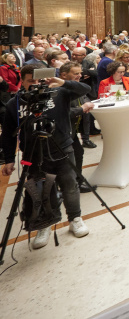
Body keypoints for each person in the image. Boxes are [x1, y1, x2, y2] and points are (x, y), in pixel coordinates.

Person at [1, 64, 91, 249]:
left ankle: (75, 218)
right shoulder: (15, 103)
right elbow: (8, 133)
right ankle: (45, 225)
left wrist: (62, 82)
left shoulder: (59, 94)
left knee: (70, 186)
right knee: (42, 190)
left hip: (62, 148)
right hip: (34, 154)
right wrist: (9, 158)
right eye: (30, 81)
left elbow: (85, 89)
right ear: (22, 82)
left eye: (39, 80)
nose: (35, 84)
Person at [60, 61, 96, 193]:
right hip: (63, 132)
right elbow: (64, 113)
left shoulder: (76, 87)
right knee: (67, 160)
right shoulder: (60, 91)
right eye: (76, 73)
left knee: (78, 153)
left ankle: (78, 182)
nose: (79, 76)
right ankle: (70, 186)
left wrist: (86, 103)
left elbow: (84, 96)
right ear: (64, 75)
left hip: (73, 130)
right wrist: (81, 109)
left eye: (80, 73)